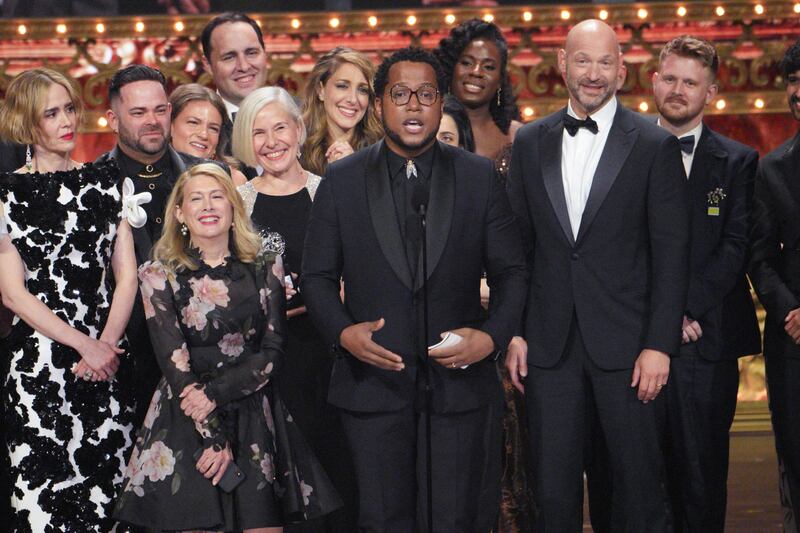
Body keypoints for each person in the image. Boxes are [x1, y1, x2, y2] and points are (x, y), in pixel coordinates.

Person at [302, 46, 528, 531]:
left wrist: (490, 339)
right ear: (379, 104)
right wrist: (343, 334)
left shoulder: (477, 176)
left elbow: (513, 274)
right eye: (399, 93)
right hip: (372, 391)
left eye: (426, 94)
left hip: (459, 392)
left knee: (456, 519)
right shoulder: (341, 181)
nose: (413, 105)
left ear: (440, 102)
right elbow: (317, 278)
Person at [505, 19, 689, 532]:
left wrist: (659, 345)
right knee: (553, 494)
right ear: (561, 64)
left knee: (637, 494)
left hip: (629, 351)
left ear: (622, 71)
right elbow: (518, 250)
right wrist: (516, 331)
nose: (593, 73)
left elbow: (671, 256)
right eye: (582, 60)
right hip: (549, 347)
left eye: (605, 62)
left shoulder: (654, 146)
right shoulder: (530, 142)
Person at [113, 163, 340, 531]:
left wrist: (215, 394)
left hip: (254, 417)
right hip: (187, 420)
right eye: (196, 199)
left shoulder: (266, 264)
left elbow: (273, 349)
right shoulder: (159, 274)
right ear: (179, 212)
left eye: (217, 196)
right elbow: (174, 360)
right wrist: (212, 432)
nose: (208, 206)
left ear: (234, 207)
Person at [0, 67, 137, 531]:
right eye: (51, 113)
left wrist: (106, 345)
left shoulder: (106, 182)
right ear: (26, 123)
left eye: (69, 108)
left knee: (110, 504)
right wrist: (86, 345)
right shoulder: (6, 195)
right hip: (38, 368)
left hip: (106, 365)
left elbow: (127, 276)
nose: (66, 121)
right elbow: (13, 294)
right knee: (44, 511)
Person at [233, 86, 357, 532]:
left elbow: (358, 271)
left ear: (300, 130)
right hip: (269, 367)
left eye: (280, 127)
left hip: (330, 358)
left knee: (338, 479)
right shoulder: (237, 205)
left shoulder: (333, 191)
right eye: (258, 132)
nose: (271, 141)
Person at [651, 35, 760, 533]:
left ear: (710, 92)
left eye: (690, 82)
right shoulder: (623, 152)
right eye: (670, 78)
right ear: (654, 81)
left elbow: (735, 247)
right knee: (643, 482)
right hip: (636, 342)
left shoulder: (738, 161)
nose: (678, 90)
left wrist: (685, 309)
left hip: (708, 342)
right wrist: (663, 314)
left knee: (702, 478)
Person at [96, 64, 211, 428]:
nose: (152, 120)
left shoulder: (207, 177)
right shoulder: (90, 188)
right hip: (127, 366)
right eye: (138, 112)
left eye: (160, 110)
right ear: (113, 119)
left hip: (207, 359)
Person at [749, 37, 800, 533]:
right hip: (794, 341)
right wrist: (790, 312)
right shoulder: (773, 169)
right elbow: (759, 258)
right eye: (793, 84)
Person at [435, 18, 523, 178]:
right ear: (451, 69)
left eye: (488, 67)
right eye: (467, 63)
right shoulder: (430, 128)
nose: (476, 71)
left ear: (500, 80)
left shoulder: (517, 136)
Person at [300, 47, 383, 177]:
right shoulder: (297, 149)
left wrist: (354, 169)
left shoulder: (381, 153)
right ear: (320, 90)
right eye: (342, 86)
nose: (353, 99)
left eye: (363, 90)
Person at [169, 83, 248, 185]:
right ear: (170, 125)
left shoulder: (236, 180)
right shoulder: (149, 175)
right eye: (193, 123)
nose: (204, 135)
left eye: (213, 128)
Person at [201, 12, 268, 122]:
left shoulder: (299, 115)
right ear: (208, 65)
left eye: (251, 53)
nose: (244, 66)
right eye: (229, 57)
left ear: (265, 54)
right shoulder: (196, 127)